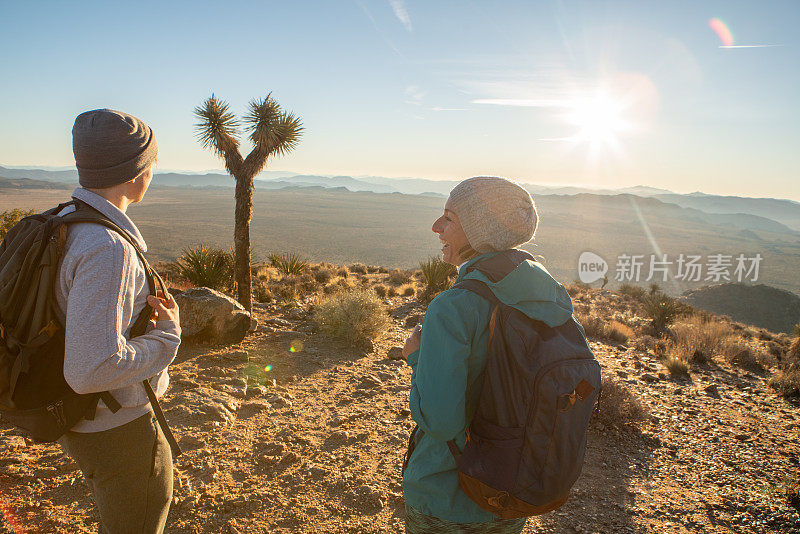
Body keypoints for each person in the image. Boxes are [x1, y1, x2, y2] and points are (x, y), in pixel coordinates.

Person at [401, 176, 575, 533]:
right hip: (514, 487)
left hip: (448, 495)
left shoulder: (454, 307)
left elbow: (441, 422)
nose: (436, 226)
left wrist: (416, 358)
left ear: (480, 231)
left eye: (448, 218)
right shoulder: (549, 296)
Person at [55, 109, 181, 534]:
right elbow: (91, 368)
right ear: (134, 173)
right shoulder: (108, 248)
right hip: (118, 430)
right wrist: (167, 337)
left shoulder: (61, 221)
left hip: (80, 421)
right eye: (151, 164)